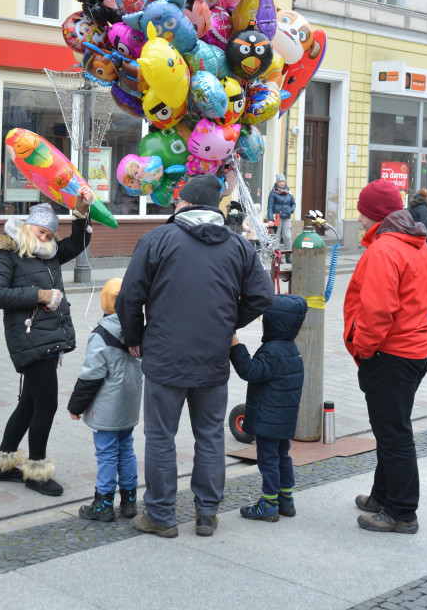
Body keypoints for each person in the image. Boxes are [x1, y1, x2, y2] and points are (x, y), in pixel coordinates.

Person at [115, 174, 275, 538]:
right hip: (213, 357)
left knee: (160, 437)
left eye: (177, 201)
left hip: (164, 356)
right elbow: (263, 297)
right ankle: (207, 513)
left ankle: (160, 515)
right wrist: (226, 322)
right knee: (210, 436)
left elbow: (129, 298)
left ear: (185, 203)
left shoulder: (157, 239)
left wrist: (133, 337)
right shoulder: (237, 244)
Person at [0, 189, 94, 497]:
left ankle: (2, 464)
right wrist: (39, 294)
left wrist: (81, 208)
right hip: (29, 337)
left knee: (30, 402)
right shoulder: (6, 252)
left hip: (47, 337)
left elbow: (78, 242)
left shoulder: (48, 252)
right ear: (27, 225)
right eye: (40, 230)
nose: (45, 237)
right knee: (46, 404)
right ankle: (36, 471)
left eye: (49, 233)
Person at [343, 179, 427, 534]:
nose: (359, 219)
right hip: (414, 349)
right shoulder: (416, 243)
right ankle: (383, 495)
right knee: (389, 428)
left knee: (394, 434)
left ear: (376, 214)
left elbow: (377, 312)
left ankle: (402, 512)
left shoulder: (384, 250)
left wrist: (364, 350)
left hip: (390, 354)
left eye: (363, 213)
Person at [68, 278, 142, 522]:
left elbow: (91, 375)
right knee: (127, 449)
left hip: (106, 408)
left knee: (107, 453)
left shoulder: (101, 335)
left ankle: (104, 504)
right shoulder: (139, 332)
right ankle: (130, 501)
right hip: (129, 405)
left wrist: (75, 406)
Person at [230, 294, 307, 522]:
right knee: (283, 455)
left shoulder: (271, 351)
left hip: (268, 421)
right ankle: (286, 499)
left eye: (265, 318)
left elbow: (250, 371)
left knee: (268, 459)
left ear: (275, 322)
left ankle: (269, 504)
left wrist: (235, 344)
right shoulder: (293, 349)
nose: (263, 322)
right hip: (283, 420)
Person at [267, 173, 296, 264]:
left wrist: (291, 210)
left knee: (287, 237)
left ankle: (288, 256)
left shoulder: (289, 192)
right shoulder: (273, 193)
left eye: (283, 181)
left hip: (287, 217)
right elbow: (270, 206)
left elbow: (293, 203)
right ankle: (277, 257)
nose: (282, 183)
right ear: (277, 182)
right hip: (277, 218)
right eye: (280, 181)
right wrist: (270, 219)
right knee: (277, 237)